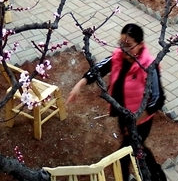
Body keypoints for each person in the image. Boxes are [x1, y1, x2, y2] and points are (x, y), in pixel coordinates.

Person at [68, 24, 166, 181]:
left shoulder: (149, 65)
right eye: (121, 44)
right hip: (124, 114)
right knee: (137, 149)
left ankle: (153, 176)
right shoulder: (119, 56)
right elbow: (99, 68)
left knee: (125, 155)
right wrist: (80, 84)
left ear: (140, 45)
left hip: (141, 120)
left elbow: (158, 98)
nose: (124, 49)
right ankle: (157, 175)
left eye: (128, 45)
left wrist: (135, 122)